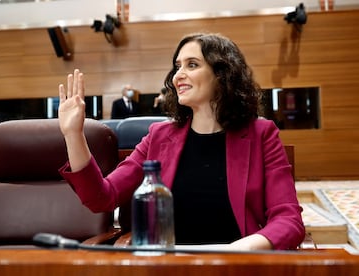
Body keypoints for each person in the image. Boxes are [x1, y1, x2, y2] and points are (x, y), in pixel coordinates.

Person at [57, 33, 305, 250]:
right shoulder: (159, 136)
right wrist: (73, 134)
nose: (178, 76)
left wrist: (241, 249)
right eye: (177, 67)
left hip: (237, 265)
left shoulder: (261, 134)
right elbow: (102, 197)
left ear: (223, 74)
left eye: (192, 65)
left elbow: (288, 220)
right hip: (171, 266)